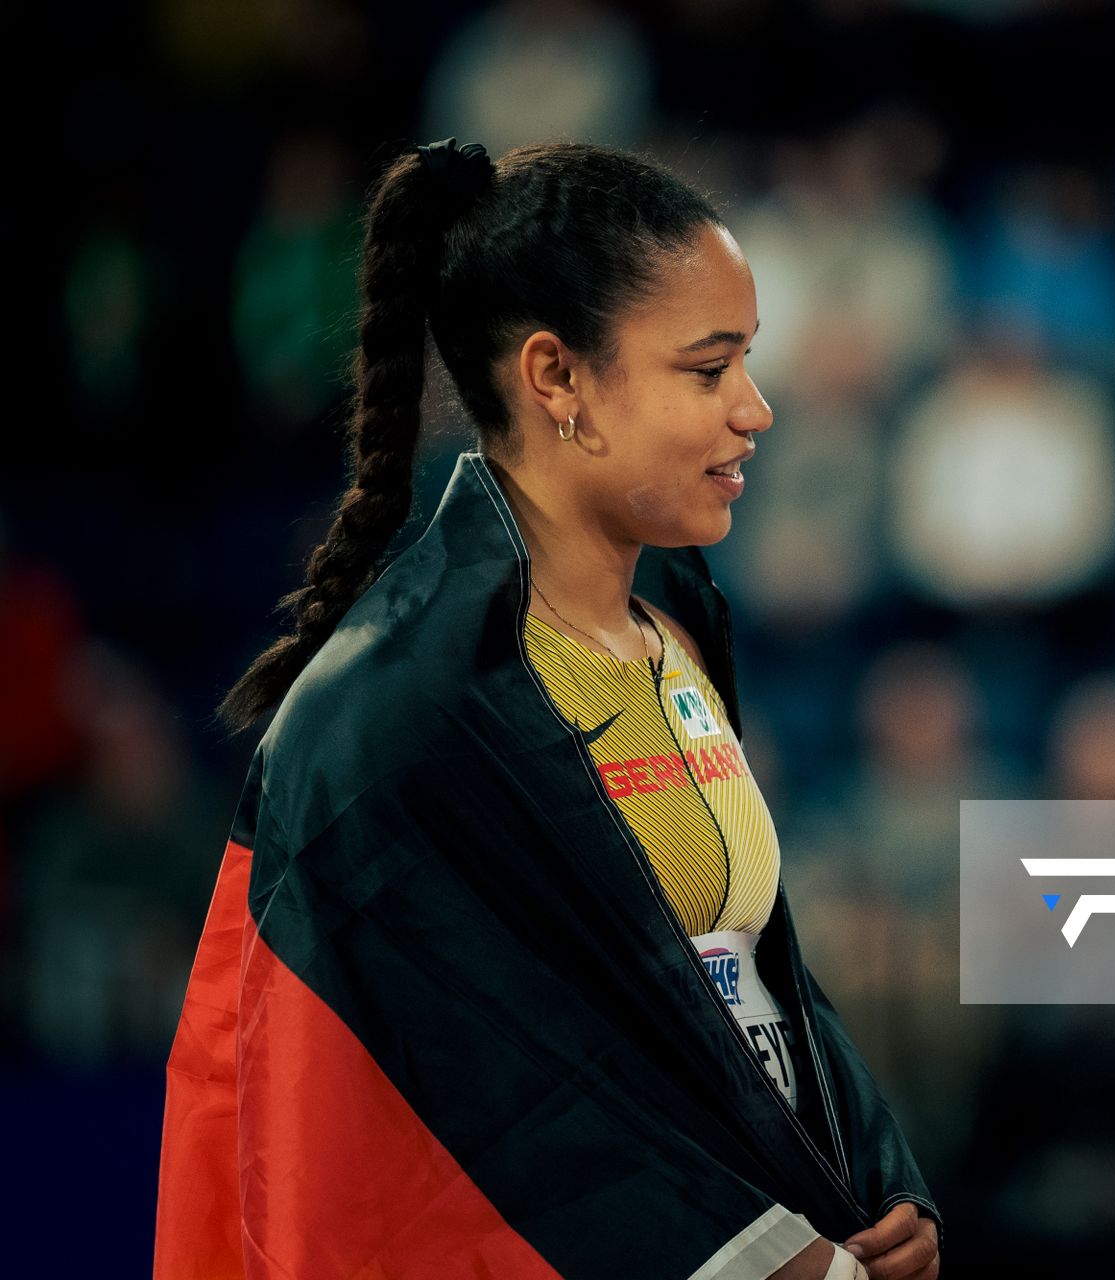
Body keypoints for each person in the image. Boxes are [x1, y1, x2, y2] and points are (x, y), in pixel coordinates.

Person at [154, 138, 940, 1280]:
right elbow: (455, 1115)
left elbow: (753, 970)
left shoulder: (674, 619)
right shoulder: (393, 709)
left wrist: (877, 1178)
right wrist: (747, 1254)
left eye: (747, 364)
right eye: (707, 370)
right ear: (556, 378)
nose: (756, 409)